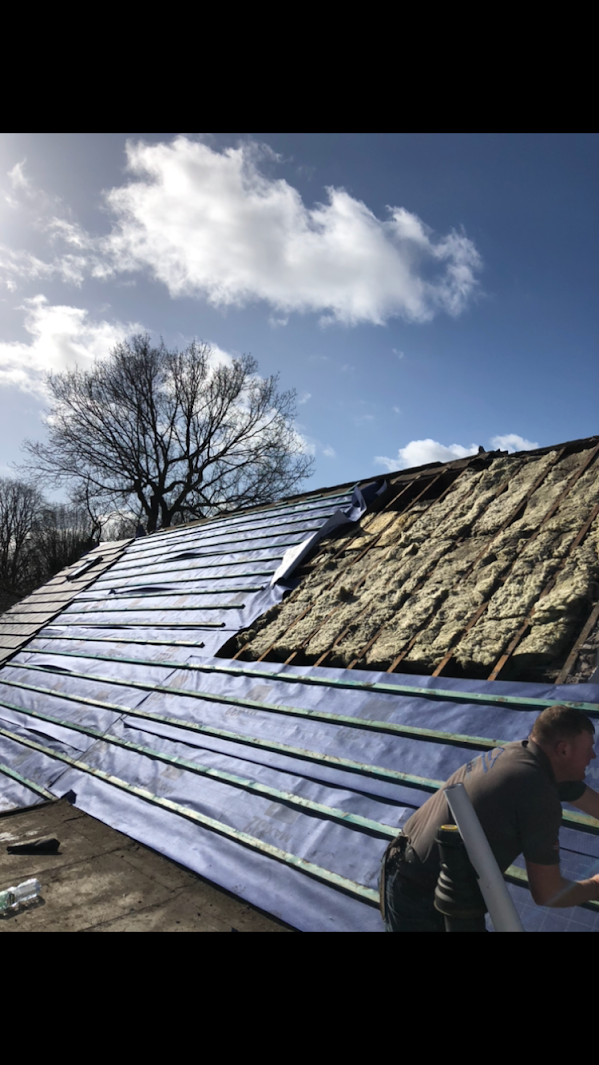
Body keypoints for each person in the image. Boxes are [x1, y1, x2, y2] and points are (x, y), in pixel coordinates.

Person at [380, 704, 599, 931]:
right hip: (420, 895)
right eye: (589, 749)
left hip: (408, 868)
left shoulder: (522, 756)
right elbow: (548, 892)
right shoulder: (536, 790)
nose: (592, 756)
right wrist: (595, 886)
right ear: (563, 750)